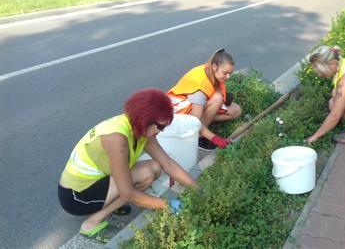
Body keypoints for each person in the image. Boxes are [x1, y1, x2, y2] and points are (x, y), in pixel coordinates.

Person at [58, 88, 197, 243]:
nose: (161, 131)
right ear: (146, 120)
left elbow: (168, 164)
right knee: (141, 179)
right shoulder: (117, 139)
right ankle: (91, 223)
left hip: (98, 181)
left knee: (154, 168)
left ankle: (114, 203)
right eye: (161, 126)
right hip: (76, 196)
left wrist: (197, 188)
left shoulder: (141, 128)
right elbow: (127, 193)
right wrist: (167, 205)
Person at [167, 48, 242, 150]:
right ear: (215, 66)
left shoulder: (211, 70)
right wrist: (215, 139)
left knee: (236, 111)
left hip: (193, 108)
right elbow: (194, 121)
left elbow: (212, 89)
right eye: (225, 73)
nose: (228, 77)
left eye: (230, 73)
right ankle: (198, 137)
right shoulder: (200, 88)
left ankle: (203, 127)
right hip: (176, 113)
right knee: (217, 99)